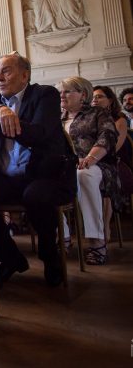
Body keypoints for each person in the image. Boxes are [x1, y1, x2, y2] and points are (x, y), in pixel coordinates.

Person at [0, 52, 75, 287]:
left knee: (35, 196)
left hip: (45, 175)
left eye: (6, 71)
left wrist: (2, 126)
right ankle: (10, 258)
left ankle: (49, 254)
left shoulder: (45, 95)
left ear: (25, 75)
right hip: (9, 177)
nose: (0, 77)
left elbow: (39, 134)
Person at [59, 77, 118, 266]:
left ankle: (97, 241)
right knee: (45, 181)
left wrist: (90, 158)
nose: (62, 95)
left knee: (83, 174)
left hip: (97, 166)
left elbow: (107, 137)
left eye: (67, 91)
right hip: (66, 168)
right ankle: (63, 235)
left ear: (83, 94)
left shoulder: (98, 113)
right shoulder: (56, 117)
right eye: (61, 91)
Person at [91, 86, 128, 153]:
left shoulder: (120, 121)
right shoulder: (88, 121)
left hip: (112, 160)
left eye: (99, 97)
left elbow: (113, 149)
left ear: (110, 101)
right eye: (92, 97)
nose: (94, 100)